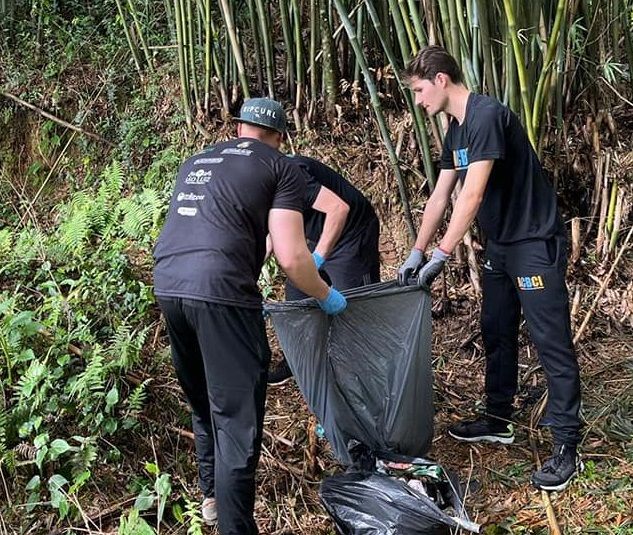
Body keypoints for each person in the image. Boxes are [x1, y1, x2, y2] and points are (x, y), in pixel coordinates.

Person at [153, 97, 347, 534]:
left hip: (168, 285)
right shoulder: (281, 168)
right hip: (222, 296)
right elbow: (292, 258)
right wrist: (326, 295)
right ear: (279, 137)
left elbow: (222, 229)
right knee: (237, 423)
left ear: (239, 128)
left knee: (204, 405)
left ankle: (212, 501)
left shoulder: (198, 159)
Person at [398, 46, 582, 492]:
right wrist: (417, 251)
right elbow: (441, 195)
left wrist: (443, 253)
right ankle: (498, 417)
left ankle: (566, 446)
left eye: (420, 91)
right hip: (500, 245)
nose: (419, 102)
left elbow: (472, 195)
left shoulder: (486, 115)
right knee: (496, 328)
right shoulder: (456, 130)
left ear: (441, 80)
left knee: (549, 340)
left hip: (533, 242)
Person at [267, 155, 381, 384]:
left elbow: (339, 209)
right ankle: (298, 360)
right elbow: (269, 233)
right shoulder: (253, 186)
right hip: (312, 234)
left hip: (352, 234)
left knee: (354, 306)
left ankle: (367, 368)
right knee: (297, 301)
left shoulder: (290, 172)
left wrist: (318, 259)